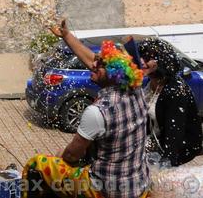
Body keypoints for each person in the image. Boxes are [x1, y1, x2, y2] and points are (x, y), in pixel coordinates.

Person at [23, 19, 149, 198]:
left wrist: (61, 157)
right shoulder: (135, 90)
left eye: (101, 64)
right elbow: (92, 60)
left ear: (115, 74)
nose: (94, 64)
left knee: (38, 165)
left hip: (104, 190)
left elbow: (72, 156)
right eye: (98, 60)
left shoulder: (98, 112)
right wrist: (66, 35)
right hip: (137, 187)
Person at [138, 37, 202, 166]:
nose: (141, 62)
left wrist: (165, 166)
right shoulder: (150, 83)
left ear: (161, 60)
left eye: (147, 58)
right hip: (155, 146)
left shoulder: (175, 90)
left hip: (181, 156)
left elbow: (174, 135)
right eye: (140, 57)